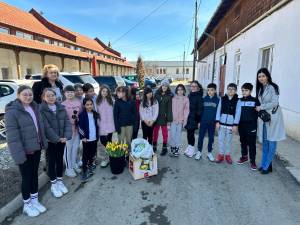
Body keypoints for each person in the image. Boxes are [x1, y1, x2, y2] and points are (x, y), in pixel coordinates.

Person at [5, 86, 48, 217]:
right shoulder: (12, 112)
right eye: (25, 94)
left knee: (34, 174)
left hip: (36, 148)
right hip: (24, 151)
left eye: (30, 94)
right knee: (26, 177)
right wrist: (19, 155)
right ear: (18, 95)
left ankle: (34, 200)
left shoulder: (34, 107)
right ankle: (27, 204)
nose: (28, 97)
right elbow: (13, 137)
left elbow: (39, 128)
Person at [39, 88, 72, 198]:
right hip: (51, 141)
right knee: (51, 162)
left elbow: (67, 122)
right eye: (48, 96)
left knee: (59, 160)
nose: (51, 97)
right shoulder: (41, 110)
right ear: (44, 97)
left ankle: (59, 180)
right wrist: (57, 138)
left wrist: (66, 136)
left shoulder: (61, 107)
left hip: (62, 139)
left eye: (52, 95)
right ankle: (53, 184)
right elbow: (46, 127)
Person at [255, 68, 286, 174]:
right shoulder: (260, 88)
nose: (261, 78)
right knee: (265, 143)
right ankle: (264, 164)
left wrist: (261, 107)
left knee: (272, 142)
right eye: (259, 76)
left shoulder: (273, 87)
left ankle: (266, 166)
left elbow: (274, 102)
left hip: (273, 118)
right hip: (264, 118)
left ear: (267, 76)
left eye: (263, 76)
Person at [234, 83, 261, 170]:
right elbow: (237, 113)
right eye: (242, 90)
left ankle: (253, 161)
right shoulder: (239, 100)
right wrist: (236, 124)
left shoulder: (255, 101)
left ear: (251, 91)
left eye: (246, 90)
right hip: (241, 125)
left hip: (251, 126)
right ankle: (244, 157)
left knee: (252, 144)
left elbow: (259, 113)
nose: (244, 92)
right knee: (243, 142)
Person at [61, 85, 83, 177]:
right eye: (68, 92)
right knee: (68, 149)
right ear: (64, 93)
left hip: (76, 130)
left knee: (75, 147)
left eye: (71, 92)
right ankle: (68, 168)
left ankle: (74, 164)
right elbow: (61, 119)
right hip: (67, 131)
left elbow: (81, 115)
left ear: (74, 93)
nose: (70, 94)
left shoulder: (78, 102)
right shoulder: (62, 105)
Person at [215, 83, 239, 164]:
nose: (230, 90)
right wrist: (217, 121)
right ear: (227, 90)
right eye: (229, 89)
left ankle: (227, 155)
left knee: (228, 141)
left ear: (235, 91)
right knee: (220, 140)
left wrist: (235, 125)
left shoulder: (238, 100)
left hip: (231, 125)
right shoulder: (222, 99)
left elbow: (238, 113)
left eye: (232, 89)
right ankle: (221, 154)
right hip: (221, 124)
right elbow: (218, 110)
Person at [195, 83, 219, 162]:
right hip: (203, 122)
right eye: (208, 90)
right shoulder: (204, 99)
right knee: (201, 137)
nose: (210, 92)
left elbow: (218, 113)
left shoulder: (217, 100)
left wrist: (217, 122)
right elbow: (200, 112)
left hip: (212, 123)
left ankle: (209, 152)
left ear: (215, 90)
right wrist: (199, 121)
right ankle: (199, 151)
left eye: (212, 90)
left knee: (211, 138)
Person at [78, 98, 100, 182]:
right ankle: (84, 170)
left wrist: (97, 136)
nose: (89, 106)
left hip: (94, 138)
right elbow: (80, 127)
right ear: (84, 105)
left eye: (91, 104)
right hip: (86, 139)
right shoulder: (82, 115)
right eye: (87, 104)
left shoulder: (95, 114)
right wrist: (83, 137)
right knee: (85, 155)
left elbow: (97, 125)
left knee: (92, 153)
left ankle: (90, 165)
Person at [96, 85, 115, 168]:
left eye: (106, 92)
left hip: (110, 123)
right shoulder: (97, 101)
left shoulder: (111, 100)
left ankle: (110, 158)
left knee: (109, 141)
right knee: (103, 141)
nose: (105, 93)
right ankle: (109, 155)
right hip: (101, 124)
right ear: (100, 92)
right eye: (103, 91)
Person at [153, 79, 173, 156]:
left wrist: (169, 118)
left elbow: (169, 108)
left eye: (166, 86)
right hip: (156, 116)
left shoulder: (169, 96)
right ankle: (154, 146)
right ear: (161, 86)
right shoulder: (156, 94)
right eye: (163, 85)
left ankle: (164, 148)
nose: (164, 87)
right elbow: (153, 105)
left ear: (168, 87)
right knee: (155, 132)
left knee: (165, 133)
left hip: (164, 117)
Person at [113, 86, 136, 151]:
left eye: (121, 91)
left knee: (129, 142)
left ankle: (128, 157)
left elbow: (134, 114)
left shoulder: (131, 101)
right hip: (121, 126)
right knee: (121, 142)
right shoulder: (117, 102)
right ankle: (121, 157)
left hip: (129, 125)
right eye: (118, 91)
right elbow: (115, 116)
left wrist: (134, 125)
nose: (119, 93)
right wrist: (117, 127)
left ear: (125, 93)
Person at [184, 81, 203, 157]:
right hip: (188, 118)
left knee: (191, 134)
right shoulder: (189, 95)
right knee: (188, 134)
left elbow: (200, 110)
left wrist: (198, 121)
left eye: (195, 86)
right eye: (192, 86)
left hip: (194, 118)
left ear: (198, 87)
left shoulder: (199, 96)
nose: (193, 87)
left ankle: (192, 150)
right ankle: (189, 147)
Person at [170, 84, 189, 157]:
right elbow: (170, 109)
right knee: (172, 134)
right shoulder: (173, 98)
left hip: (180, 121)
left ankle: (176, 148)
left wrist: (184, 120)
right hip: (173, 120)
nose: (180, 91)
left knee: (178, 135)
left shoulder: (186, 99)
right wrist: (170, 119)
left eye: (181, 89)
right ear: (176, 91)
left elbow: (186, 111)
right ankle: (172, 147)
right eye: (178, 89)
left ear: (184, 90)